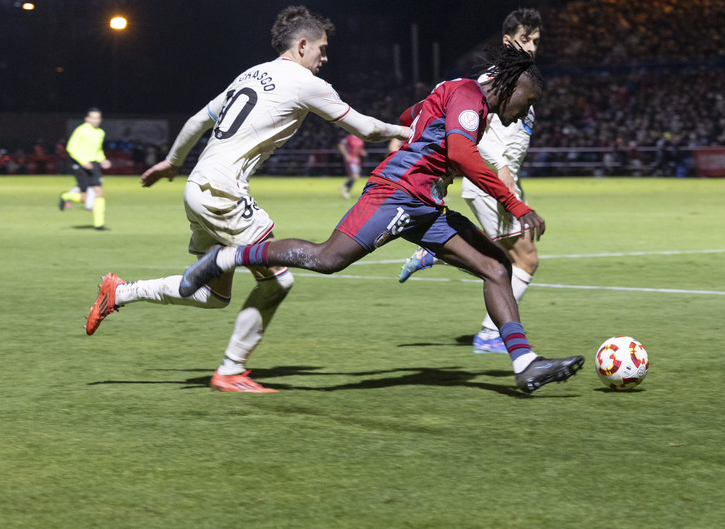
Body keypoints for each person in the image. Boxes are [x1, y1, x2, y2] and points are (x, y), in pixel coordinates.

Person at [176, 43, 585, 394]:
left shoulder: (456, 94)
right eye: (528, 101)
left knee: (496, 267)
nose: (524, 111)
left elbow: (412, 115)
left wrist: (424, 126)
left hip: (426, 204)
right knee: (327, 259)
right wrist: (516, 204)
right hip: (399, 194)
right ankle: (224, 259)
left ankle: (525, 364)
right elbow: (461, 153)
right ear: (512, 86)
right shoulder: (468, 95)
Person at [84, 6, 410, 393]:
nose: (325, 57)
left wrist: (172, 163)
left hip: (198, 188)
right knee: (278, 283)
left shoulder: (250, 74)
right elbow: (368, 129)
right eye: (322, 49)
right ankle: (230, 371)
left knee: (213, 295)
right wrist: (413, 131)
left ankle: (119, 292)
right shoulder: (306, 83)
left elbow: (196, 121)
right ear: (302, 45)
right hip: (223, 192)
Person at [398, 8, 544, 355]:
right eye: (526, 40)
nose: (533, 47)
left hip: (497, 180)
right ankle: (491, 333)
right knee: (525, 260)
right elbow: (471, 127)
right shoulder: (492, 82)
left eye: (537, 41)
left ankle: (435, 251)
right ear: (508, 41)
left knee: (503, 255)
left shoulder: (519, 79)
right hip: (492, 181)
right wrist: (503, 170)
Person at [59, 108, 111, 230]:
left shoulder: (100, 133)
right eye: (92, 117)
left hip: (94, 165)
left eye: (97, 118)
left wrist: (102, 160)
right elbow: (71, 148)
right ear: (87, 119)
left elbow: (98, 150)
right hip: (81, 165)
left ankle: (99, 224)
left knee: (98, 193)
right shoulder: (81, 130)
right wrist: (83, 161)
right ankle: (66, 196)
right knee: (85, 198)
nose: (95, 120)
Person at [337, 133, 366, 198]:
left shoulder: (361, 138)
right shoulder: (349, 138)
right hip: (351, 159)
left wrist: (362, 152)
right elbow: (341, 145)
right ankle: (346, 191)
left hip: (358, 160)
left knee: (354, 177)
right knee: (355, 176)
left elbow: (360, 149)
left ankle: (344, 187)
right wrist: (346, 155)